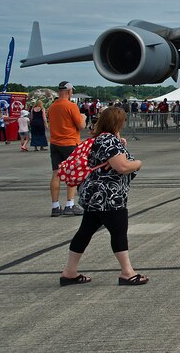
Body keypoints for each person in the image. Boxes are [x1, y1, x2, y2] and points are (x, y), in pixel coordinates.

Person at [59, 106, 147, 286]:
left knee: (85, 231)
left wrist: (120, 145)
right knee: (118, 232)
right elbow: (121, 166)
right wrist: (138, 163)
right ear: (119, 122)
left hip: (94, 195)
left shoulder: (99, 139)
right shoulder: (109, 141)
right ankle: (127, 272)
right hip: (108, 196)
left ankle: (69, 272)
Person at [48, 82, 87, 217]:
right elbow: (81, 126)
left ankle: (55, 206)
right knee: (72, 173)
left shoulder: (52, 107)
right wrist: (83, 118)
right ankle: (69, 204)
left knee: (56, 174)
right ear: (69, 92)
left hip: (55, 143)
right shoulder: (71, 106)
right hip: (70, 142)